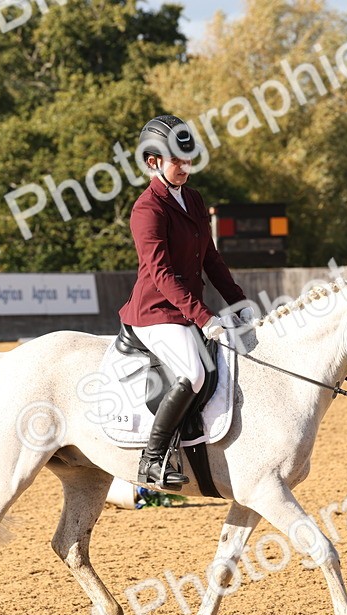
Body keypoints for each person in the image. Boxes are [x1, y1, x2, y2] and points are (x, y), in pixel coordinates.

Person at [118, 114, 253, 489]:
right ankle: (152, 459)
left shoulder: (193, 199)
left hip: (187, 311)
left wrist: (238, 301)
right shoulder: (147, 209)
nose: (185, 167)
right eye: (176, 160)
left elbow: (210, 257)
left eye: (188, 159)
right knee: (193, 373)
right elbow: (162, 274)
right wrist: (204, 316)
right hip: (156, 313)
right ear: (153, 161)